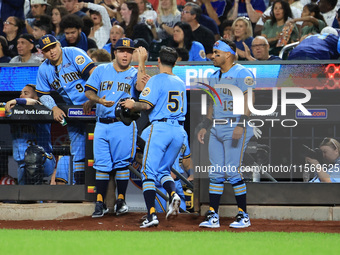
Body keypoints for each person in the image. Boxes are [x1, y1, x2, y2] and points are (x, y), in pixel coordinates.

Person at [121, 46, 187, 228]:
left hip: (161, 129)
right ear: (175, 62)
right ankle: (173, 195)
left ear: (158, 61)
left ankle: (151, 215)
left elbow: (145, 106)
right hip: (179, 131)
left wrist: (132, 103)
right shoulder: (180, 82)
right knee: (164, 171)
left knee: (147, 173)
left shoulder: (156, 80)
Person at [85, 38, 146, 218]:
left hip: (123, 124)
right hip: (102, 124)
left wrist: (141, 61)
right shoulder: (102, 69)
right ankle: (99, 203)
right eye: (121, 51)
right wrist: (98, 100)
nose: (125, 54)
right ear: (115, 53)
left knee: (121, 165)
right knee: (102, 166)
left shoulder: (135, 72)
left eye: (129, 51)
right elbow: (88, 91)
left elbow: (141, 89)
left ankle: (121, 201)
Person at [197, 38, 255, 228]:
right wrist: (206, 124)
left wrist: (242, 124)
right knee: (215, 173)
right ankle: (213, 215)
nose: (213, 56)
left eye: (217, 53)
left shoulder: (242, 72)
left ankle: (243, 215)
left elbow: (249, 100)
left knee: (232, 171)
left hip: (234, 125)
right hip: (216, 127)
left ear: (228, 54)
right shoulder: (214, 75)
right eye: (214, 53)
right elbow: (213, 102)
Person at [35, 34, 96, 185]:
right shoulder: (44, 69)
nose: (52, 52)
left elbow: (94, 74)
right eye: (47, 50)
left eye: (53, 47)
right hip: (73, 113)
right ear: (42, 52)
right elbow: (42, 94)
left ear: (58, 44)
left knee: (98, 149)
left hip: (94, 108)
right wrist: (54, 107)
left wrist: (93, 99)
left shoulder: (73, 53)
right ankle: (81, 187)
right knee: (77, 150)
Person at [5, 84, 56, 185]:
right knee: (25, 197)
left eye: (26, 93)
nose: (21, 96)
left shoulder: (41, 106)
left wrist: (15, 100)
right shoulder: (12, 109)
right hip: (22, 165)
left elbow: (34, 102)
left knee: (33, 155)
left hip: (44, 160)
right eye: (21, 94)